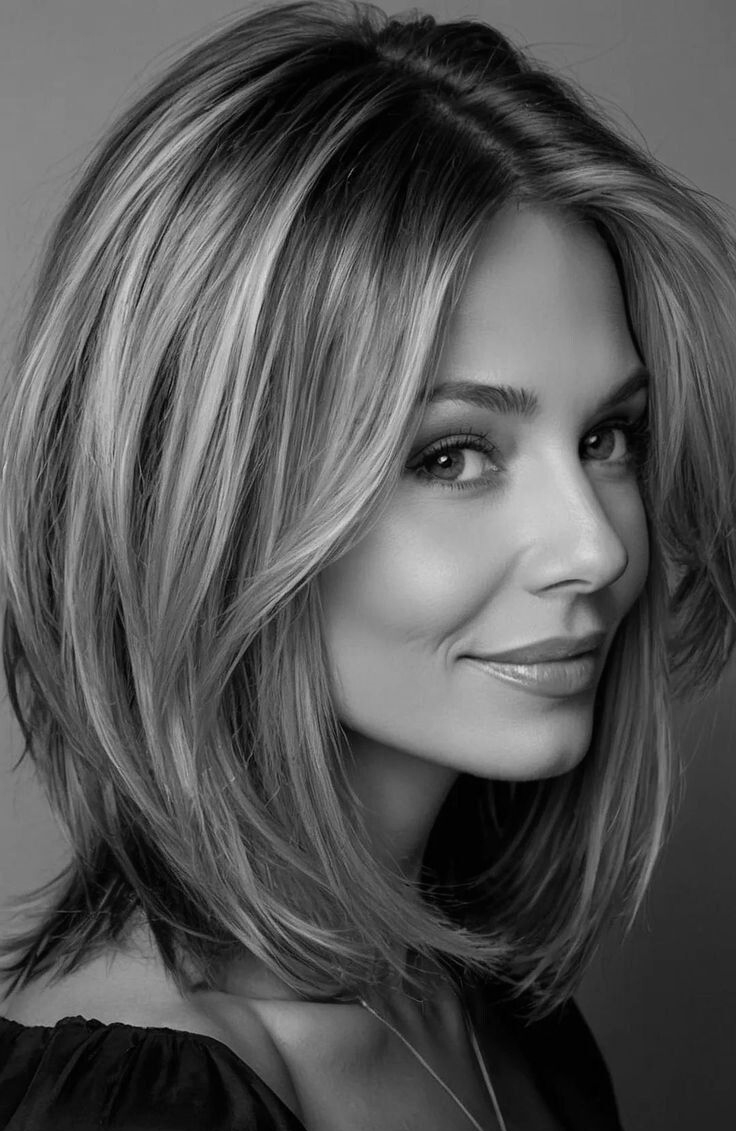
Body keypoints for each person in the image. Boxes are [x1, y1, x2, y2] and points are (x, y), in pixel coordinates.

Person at [1, 1, 735, 1127]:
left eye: (606, 438)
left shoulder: (488, 1006)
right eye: (452, 455)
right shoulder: (141, 1102)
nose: (595, 544)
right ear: (205, 506)